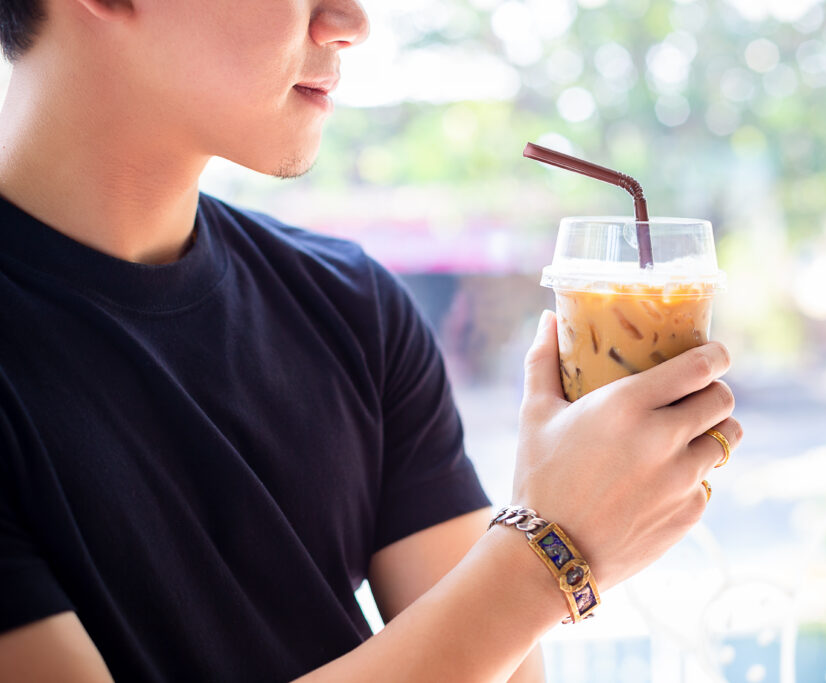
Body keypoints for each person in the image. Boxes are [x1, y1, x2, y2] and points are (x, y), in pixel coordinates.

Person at [0, 0, 742, 681]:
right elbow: (504, 607)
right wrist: (548, 553)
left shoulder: (351, 307)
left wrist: (551, 535)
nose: (351, 20)